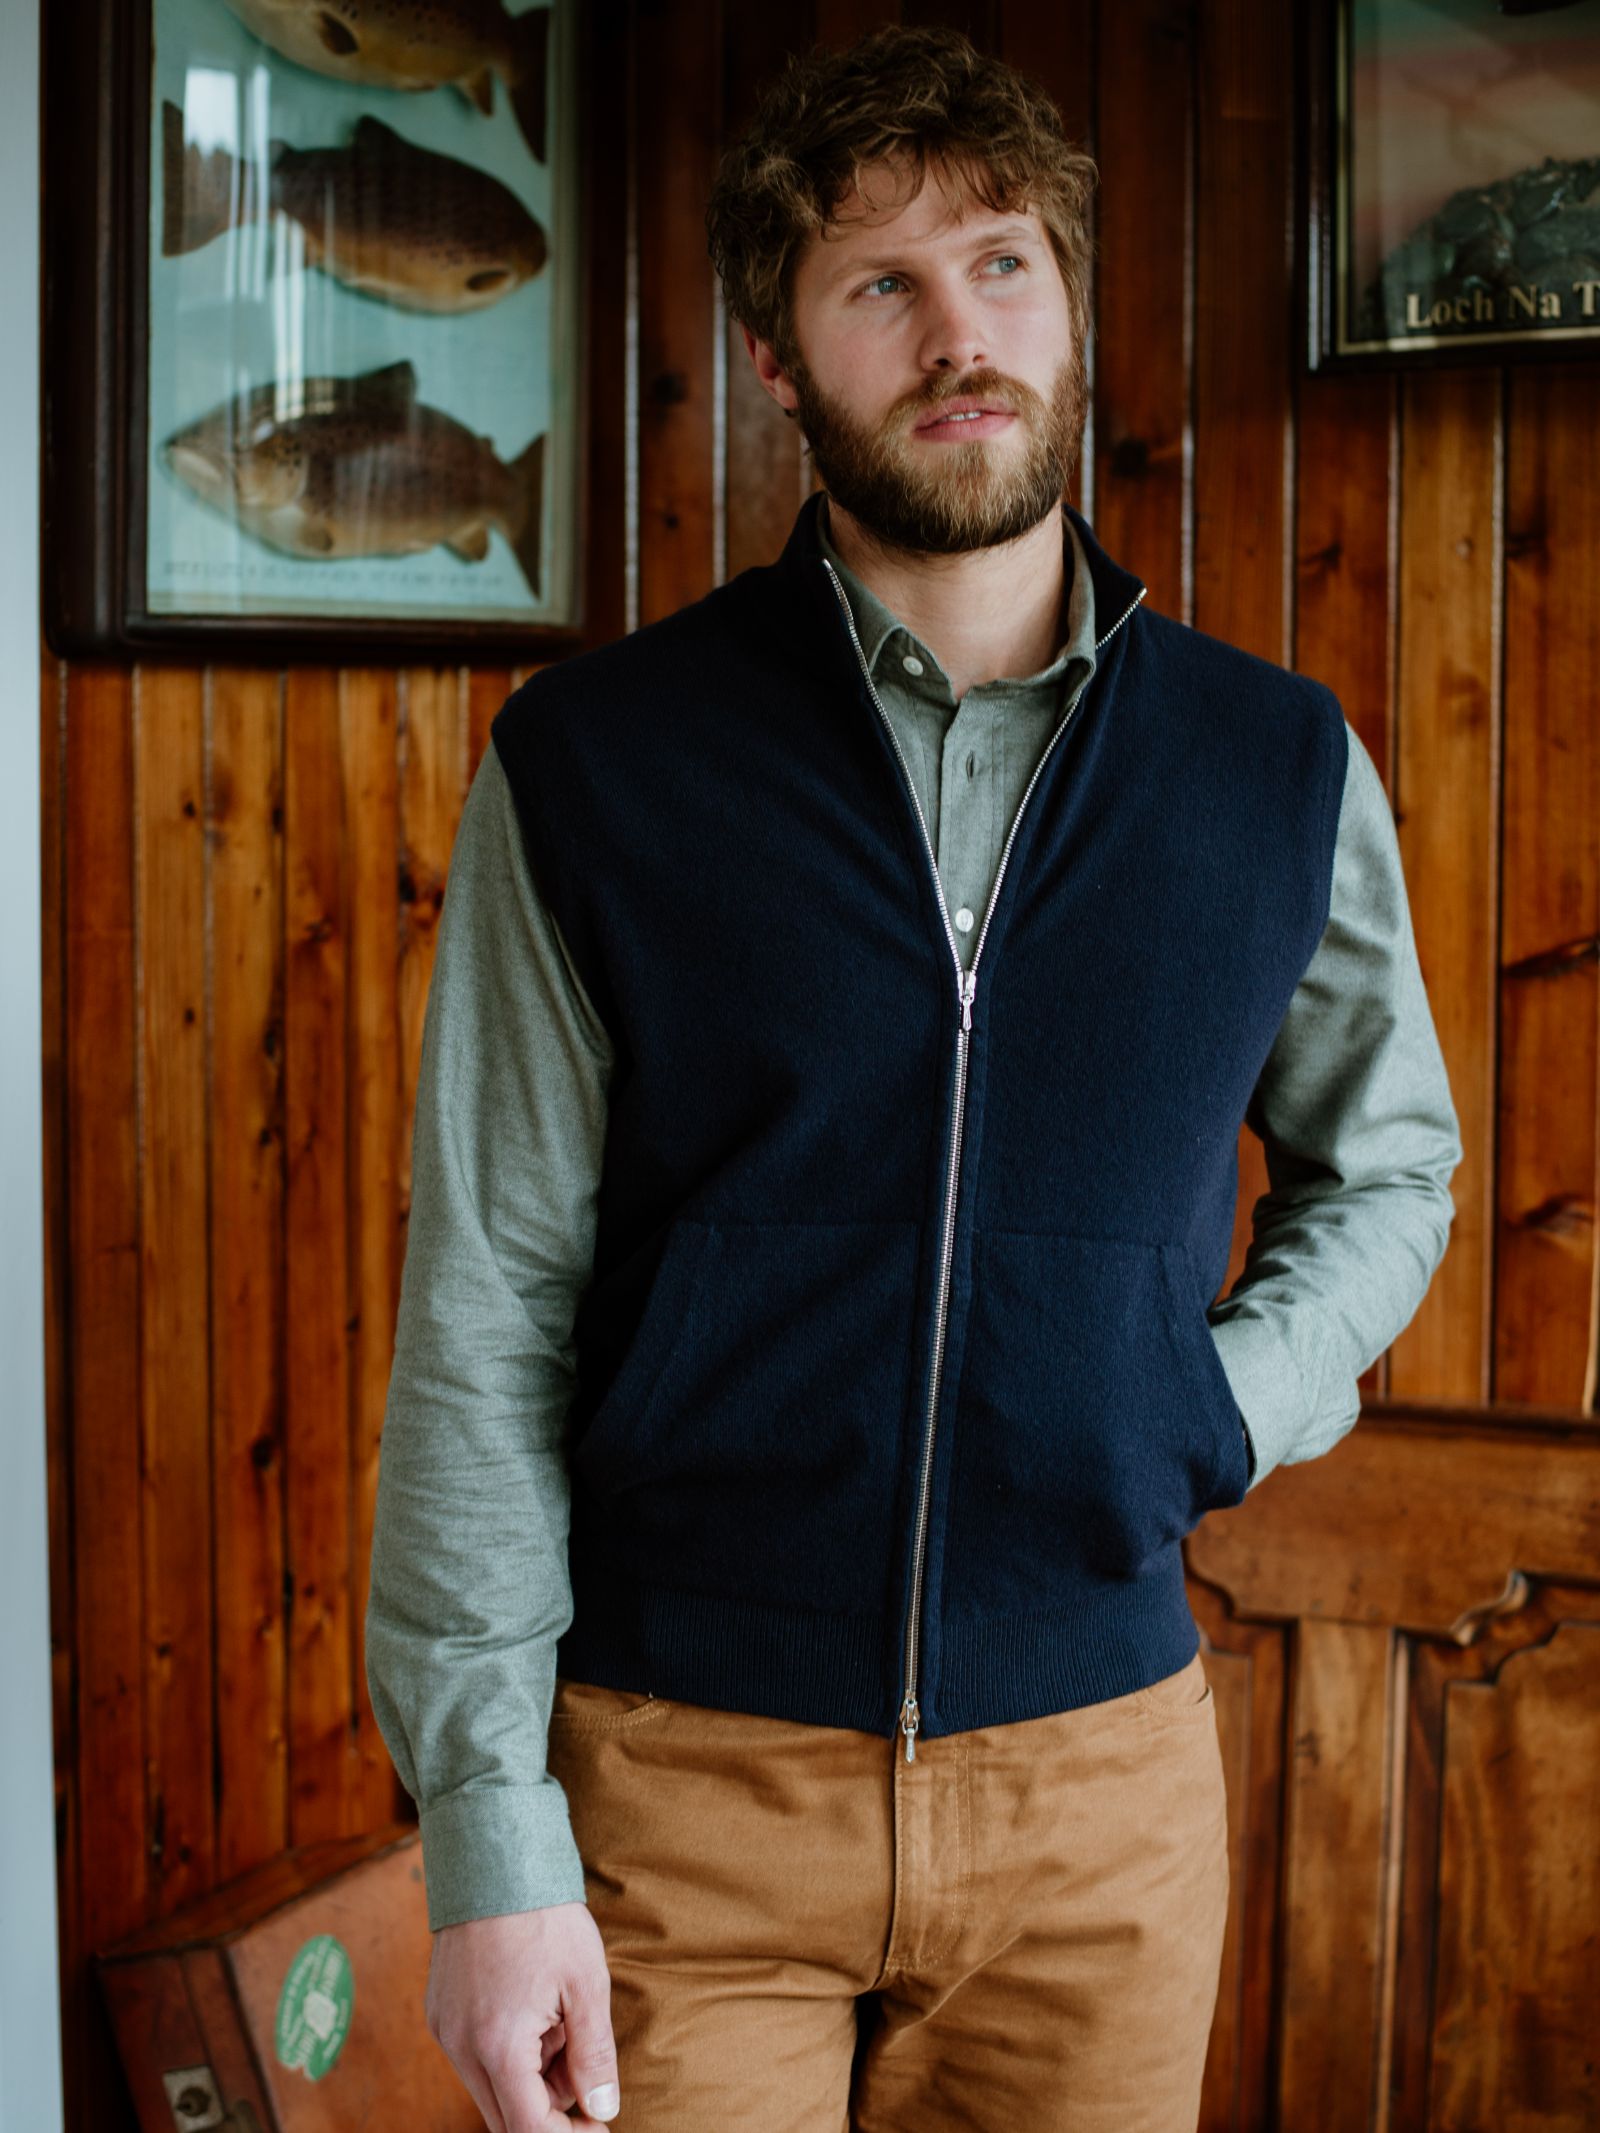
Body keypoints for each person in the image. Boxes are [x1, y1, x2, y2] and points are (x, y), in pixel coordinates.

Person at [365, 24, 1462, 2133]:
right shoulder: (596, 766)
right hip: (681, 1795)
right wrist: (490, 1839)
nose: (955, 333)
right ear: (776, 361)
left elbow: (1388, 1166)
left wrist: (1216, 1402)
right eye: (879, 285)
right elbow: (484, 1302)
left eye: (999, 265)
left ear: (1067, 302)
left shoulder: (1270, 766)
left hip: (1099, 1803)